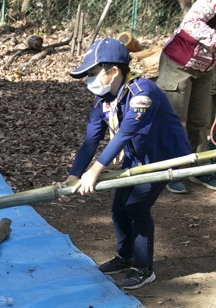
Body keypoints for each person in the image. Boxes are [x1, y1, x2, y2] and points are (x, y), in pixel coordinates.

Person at [65, 37, 191, 290]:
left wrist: (94, 172)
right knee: (119, 207)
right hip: (135, 157)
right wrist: (74, 175)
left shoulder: (142, 93)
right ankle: (125, 256)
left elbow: (125, 134)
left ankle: (143, 268)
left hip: (163, 157)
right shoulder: (103, 101)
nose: (89, 79)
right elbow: (91, 140)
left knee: (136, 208)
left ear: (114, 71)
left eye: (92, 73)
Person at [155, 0, 216, 193]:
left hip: (205, 69)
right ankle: (168, 170)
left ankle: (201, 169)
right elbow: (191, 23)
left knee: (200, 121)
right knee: (175, 120)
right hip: (178, 63)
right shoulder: (210, 3)